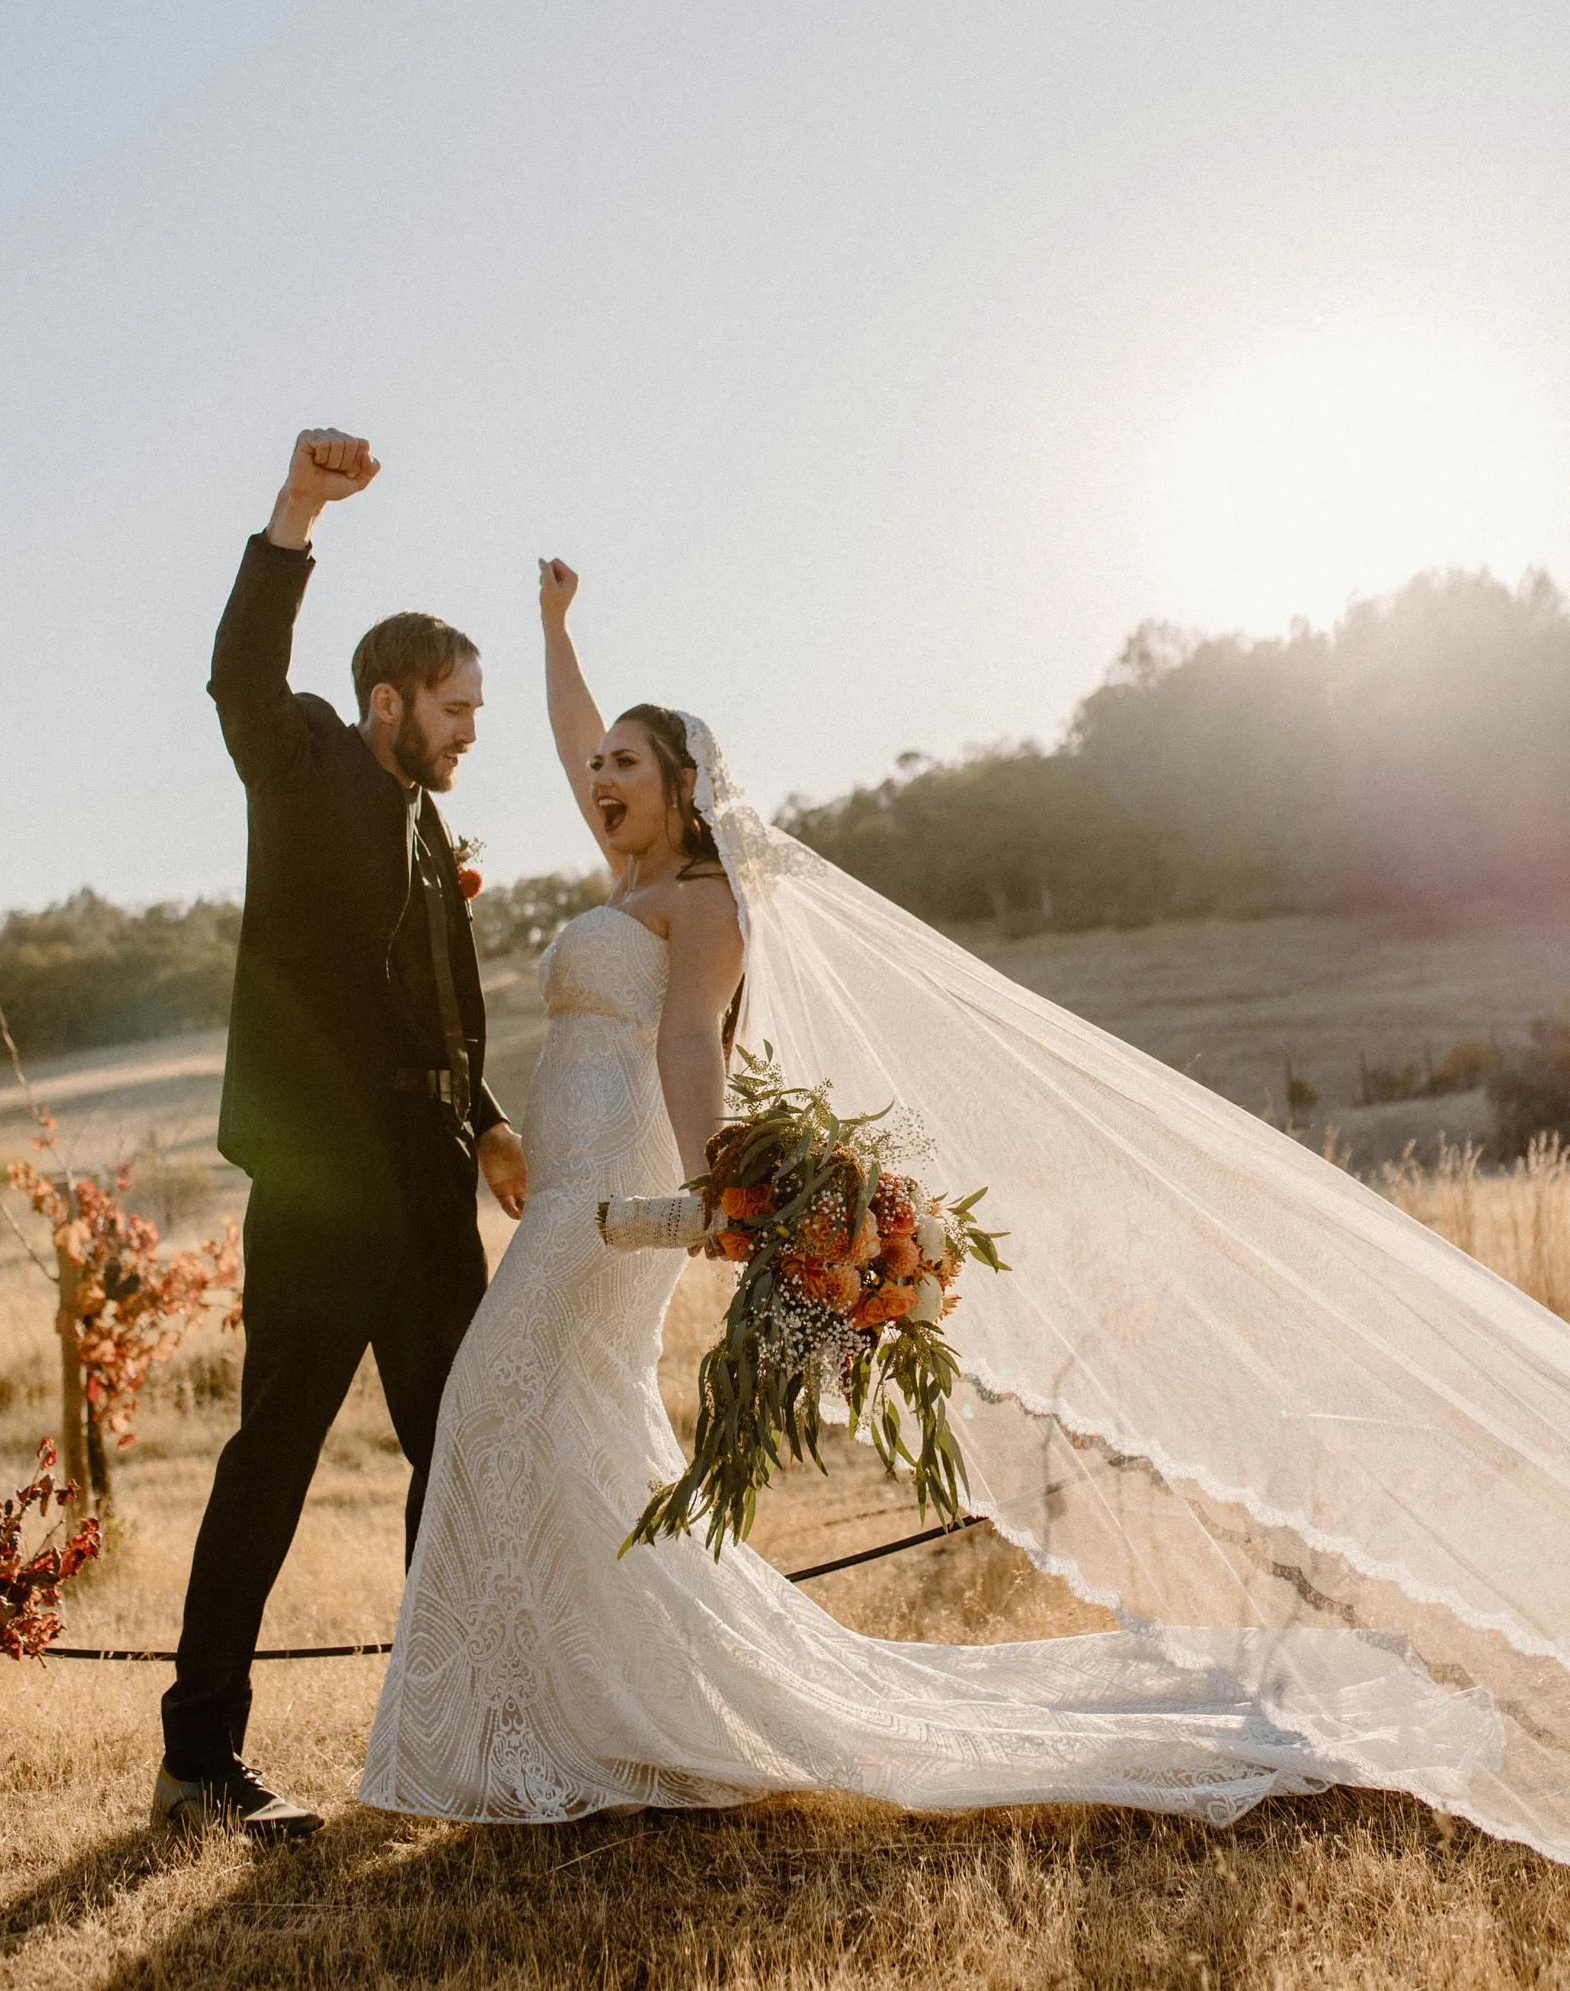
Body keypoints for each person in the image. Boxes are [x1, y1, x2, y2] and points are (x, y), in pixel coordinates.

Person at [360, 561, 1570, 1860]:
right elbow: (569, 732)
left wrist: (716, 1186)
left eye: (627, 769)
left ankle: (536, 1723)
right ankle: (568, 1722)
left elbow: (692, 1051)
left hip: (610, 1204)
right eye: (595, 769)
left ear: (685, 792)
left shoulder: (700, 900)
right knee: (556, 1427)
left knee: (497, 1400)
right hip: (563, 1198)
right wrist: (556, 633)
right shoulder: (619, 876)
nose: (599, 782)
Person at [155, 430, 528, 1838]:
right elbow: (240, 675)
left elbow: (445, 1014)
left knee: (460, 1454)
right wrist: (297, 513)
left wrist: (488, 1126)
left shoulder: (433, 831)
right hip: (322, 1193)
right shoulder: (302, 763)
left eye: (476, 710)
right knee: (272, 1464)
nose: (469, 731)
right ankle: (199, 1764)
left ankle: (442, 1733)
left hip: (433, 1197)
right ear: (385, 705)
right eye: (455, 708)